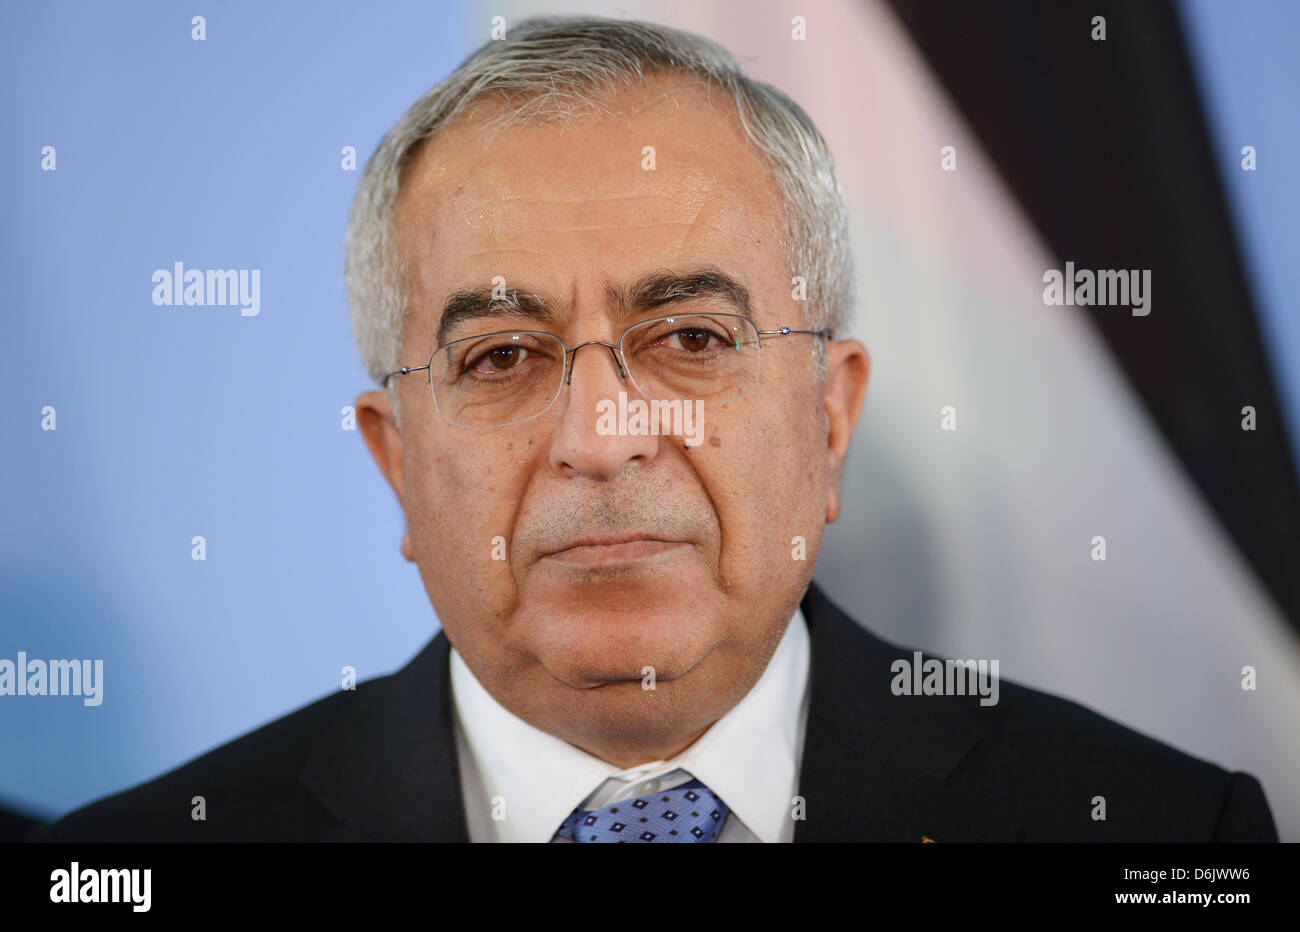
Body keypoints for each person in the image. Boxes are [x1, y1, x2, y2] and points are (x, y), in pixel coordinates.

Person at [28, 15, 1276, 843]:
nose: (604, 434)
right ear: (396, 461)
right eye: (502, 356)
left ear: (830, 416)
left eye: (689, 336)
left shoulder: (1158, 830)